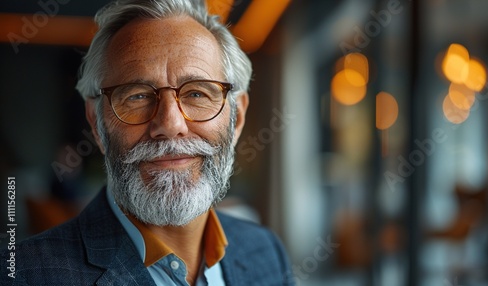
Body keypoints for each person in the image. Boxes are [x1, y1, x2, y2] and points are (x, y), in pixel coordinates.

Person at [2, 0, 294, 285]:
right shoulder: (22, 275)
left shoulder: (266, 251)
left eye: (197, 94)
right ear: (96, 123)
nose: (170, 125)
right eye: (137, 96)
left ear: (238, 117)